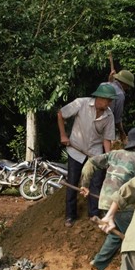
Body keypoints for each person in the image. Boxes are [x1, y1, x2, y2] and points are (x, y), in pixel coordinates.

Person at [80, 126, 135, 270]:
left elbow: (91, 163)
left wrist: (85, 185)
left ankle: (98, 263)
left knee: (116, 233)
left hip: (105, 202)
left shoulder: (114, 154)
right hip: (123, 205)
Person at [57, 83, 117, 227]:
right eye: (107, 100)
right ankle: (70, 216)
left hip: (95, 154)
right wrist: (63, 135)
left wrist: (107, 158)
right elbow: (60, 114)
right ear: (98, 97)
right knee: (72, 182)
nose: (108, 103)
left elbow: (106, 139)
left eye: (110, 101)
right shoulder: (81, 103)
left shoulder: (109, 116)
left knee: (96, 183)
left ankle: (94, 214)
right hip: (76, 150)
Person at [108, 70, 134, 143]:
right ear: (124, 84)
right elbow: (117, 119)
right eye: (128, 85)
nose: (128, 88)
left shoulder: (104, 85)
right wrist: (122, 132)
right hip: (106, 124)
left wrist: (110, 81)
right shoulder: (119, 94)